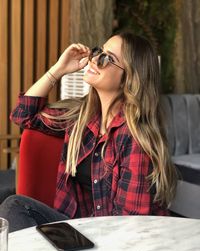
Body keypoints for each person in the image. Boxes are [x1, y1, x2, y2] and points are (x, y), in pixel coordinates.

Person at [0, 32, 177, 232]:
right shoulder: (82, 117)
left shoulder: (134, 137)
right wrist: (59, 69)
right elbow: (22, 115)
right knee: (14, 206)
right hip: (79, 227)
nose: (94, 59)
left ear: (128, 79)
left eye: (107, 58)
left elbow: (130, 226)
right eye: (98, 51)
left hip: (117, 238)